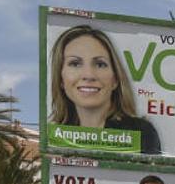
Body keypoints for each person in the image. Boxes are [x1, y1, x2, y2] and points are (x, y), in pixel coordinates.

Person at [49, 25, 161, 154]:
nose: (89, 75)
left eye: (100, 64)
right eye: (75, 64)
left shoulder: (141, 132)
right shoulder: (53, 138)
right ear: (61, 79)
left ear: (115, 79)